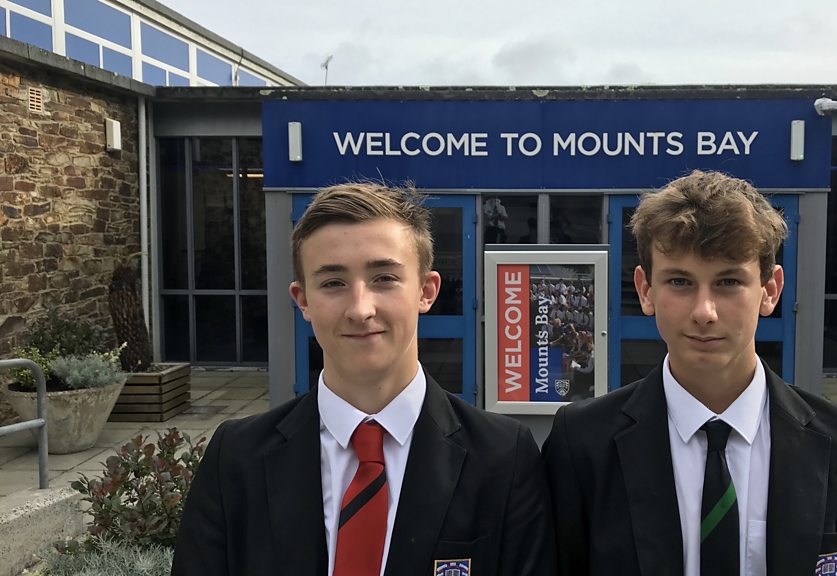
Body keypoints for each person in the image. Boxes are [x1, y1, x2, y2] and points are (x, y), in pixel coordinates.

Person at [174, 183, 555, 576]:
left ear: (426, 292)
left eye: (384, 278)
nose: (360, 309)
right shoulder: (237, 457)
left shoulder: (503, 458)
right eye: (333, 283)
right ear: (302, 300)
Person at [543, 171, 837, 576]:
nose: (704, 312)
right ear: (645, 290)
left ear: (770, 290)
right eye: (680, 281)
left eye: (729, 281)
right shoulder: (583, 444)